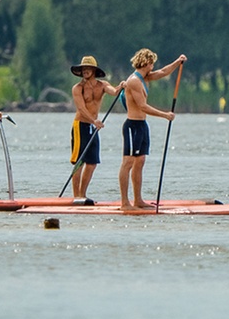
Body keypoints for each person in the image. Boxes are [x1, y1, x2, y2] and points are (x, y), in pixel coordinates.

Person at [119, 49, 186, 210]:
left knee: (140, 161)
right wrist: (165, 115)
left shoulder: (145, 78)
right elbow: (142, 106)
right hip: (132, 126)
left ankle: (138, 200)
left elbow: (163, 72)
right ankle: (124, 203)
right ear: (147, 63)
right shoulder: (134, 81)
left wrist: (178, 61)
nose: (153, 66)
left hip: (142, 126)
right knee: (128, 162)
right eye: (152, 63)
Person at [69, 56, 124, 202]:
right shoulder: (78, 88)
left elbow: (114, 91)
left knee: (92, 163)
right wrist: (94, 121)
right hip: (80, 125)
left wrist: (121, 87)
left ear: (94, 70)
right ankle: (77, 197)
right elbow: (80, 107)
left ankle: (83, 194)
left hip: (93, 126)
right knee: (79, 162)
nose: (85, 71)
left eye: (88, 68)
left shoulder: (102, 85)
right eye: (83, 69)